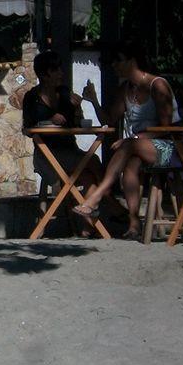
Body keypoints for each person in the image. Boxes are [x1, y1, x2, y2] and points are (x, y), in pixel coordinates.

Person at [74, 40, 182, 240]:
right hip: (137, 148)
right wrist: (94, 101)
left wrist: (133, 139)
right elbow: (109, 119)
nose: (114, 65)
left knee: (128, 145)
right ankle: (134, 222)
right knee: (130, 165)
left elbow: (166, 127)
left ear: (133, 61)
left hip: (168, 149)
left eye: (118, 61)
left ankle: (95, 199)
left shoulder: (157, 85)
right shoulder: (126, 89)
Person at [23, 50, 113, 236]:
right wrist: (49, 121)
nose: (61, 73)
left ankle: (86, 229)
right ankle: (113, 204)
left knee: (88, 176)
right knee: (93, 161)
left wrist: (78, 108)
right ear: (44, 74)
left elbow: (74, 122)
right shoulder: (32, 98)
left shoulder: (64, 94)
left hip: (70, 152)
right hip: (48, 155)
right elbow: (27, 129)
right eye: (56, 70)